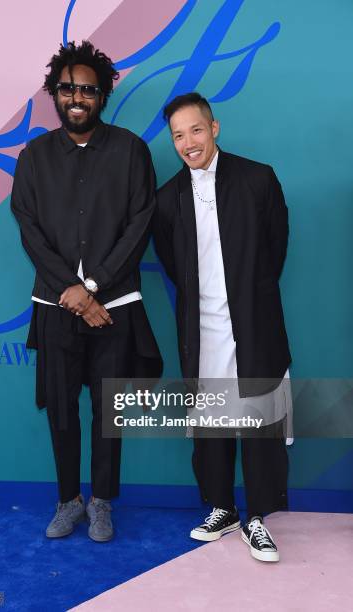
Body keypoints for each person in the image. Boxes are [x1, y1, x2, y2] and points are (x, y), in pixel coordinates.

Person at [11, 41, 161, 542]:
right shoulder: (34, 156)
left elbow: (139, 224)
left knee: (107, 410)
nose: (77, 97)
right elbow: (28, 227)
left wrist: (92, 287)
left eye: (88, 90)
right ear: (56, 93)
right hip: (53, 305)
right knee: (60, 408)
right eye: (68, 88)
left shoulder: (131, 151)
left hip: (113, 305)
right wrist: (70, 291)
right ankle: (67, 500)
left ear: (103, 96)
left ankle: (101, 502)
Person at [154, 93, 291, 562]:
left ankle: (258, 518)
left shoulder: (258, 179)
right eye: (177, 135)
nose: (187, 142)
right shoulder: (166, 200)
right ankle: (223, 507)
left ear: (214, 128)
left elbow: (275, 251)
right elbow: (173, 266)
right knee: (211, 423)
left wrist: (247, 300)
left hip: (255, 325)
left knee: (257, 421)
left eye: (195, 130)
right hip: (202, 330)